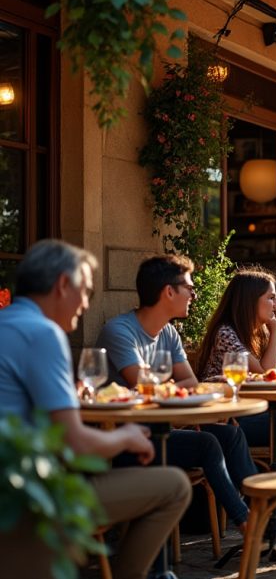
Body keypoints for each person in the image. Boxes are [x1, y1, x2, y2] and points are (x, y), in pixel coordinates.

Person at [0, 240, 190, 579]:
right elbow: (76, 442)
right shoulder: (44, 332)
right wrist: (128, 437)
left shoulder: (8, 322)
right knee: (174, 486)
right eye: (86, 291)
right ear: (62, 285)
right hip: (25, 499)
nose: (87, 303)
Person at [95, 255, 257, 530]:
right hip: (127, 438)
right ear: (168, 292)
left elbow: (189, 383)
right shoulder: (119, 331)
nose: (194, 295)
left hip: (159, 428)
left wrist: (169, 388)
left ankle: (260, 509)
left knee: (231, 434)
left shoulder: (168, 333)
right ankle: (246, 522)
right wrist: (172, 388)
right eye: (189, 288)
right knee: (207, 443)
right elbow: (145, 388)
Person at [196, 269, 276, 471]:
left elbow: (275, 373)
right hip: (229, 419)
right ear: (250, 301)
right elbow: (265, 372)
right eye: (271, 298)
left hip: (255, 410)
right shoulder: (226, 333)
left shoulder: (255, 333)